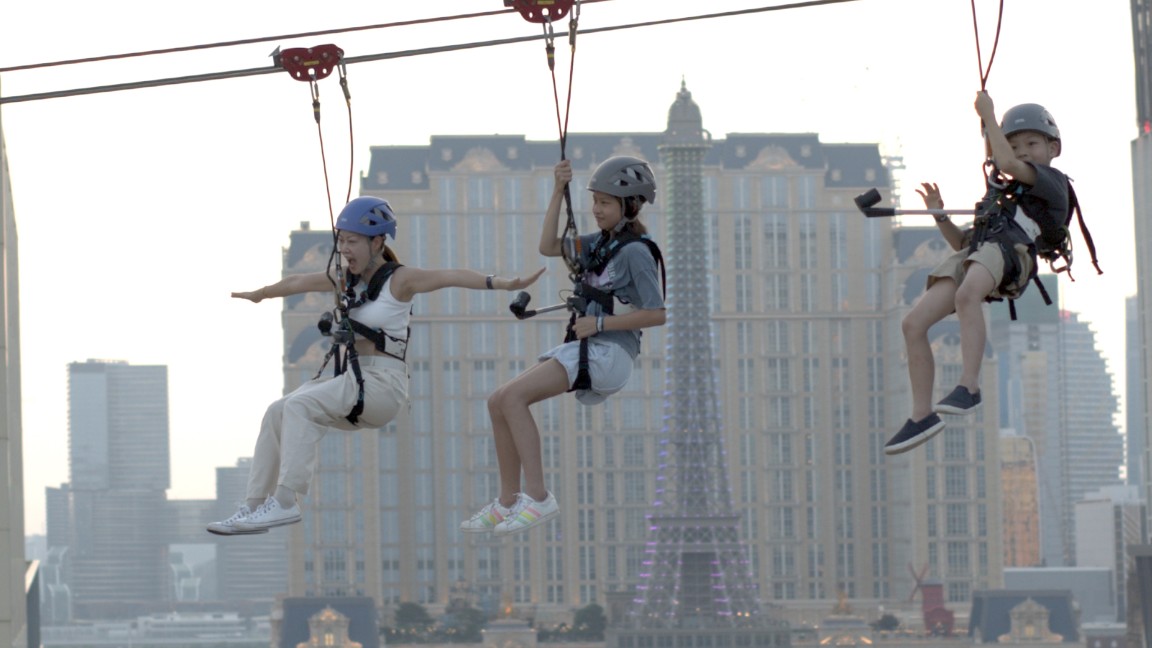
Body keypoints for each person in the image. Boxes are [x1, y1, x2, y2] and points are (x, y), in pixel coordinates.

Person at [207, 196, 543, 535]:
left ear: (378, 242)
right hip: (352, 383)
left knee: (297, 405)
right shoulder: (344, 280)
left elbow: (450, 276)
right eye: (341, 241)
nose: (344, 249)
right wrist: (260, 293)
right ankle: (251, 508)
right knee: (276, 411)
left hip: (382, 387)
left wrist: (502, 283)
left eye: (351, 241)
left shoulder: (399, 280)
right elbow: (297, 282)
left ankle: (284, 501)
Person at [460, 156, 667, 535]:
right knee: (497, 401)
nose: (596, 209)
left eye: (605, 202)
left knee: (512, 399)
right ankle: (508, 500)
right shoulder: (599, 244)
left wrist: (601, 322)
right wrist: (558, 190)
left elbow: (657, 314)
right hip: (593, 347)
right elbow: (547, 245)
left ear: (630, 205)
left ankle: (538, 498)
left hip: (611, 353)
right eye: (595, 201)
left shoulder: (637, 251)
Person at [885, 91, 1069, 456]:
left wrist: (988, 115)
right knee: (913, 323)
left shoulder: (1051, 181)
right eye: (1015, 145)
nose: (1022, 151)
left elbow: (1004, 160)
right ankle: (921, 413)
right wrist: (939, 215)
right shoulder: (1000, 199)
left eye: (1032, 143)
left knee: (967, 295)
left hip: (1013, 252)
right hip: (983, 251)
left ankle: (969, 385)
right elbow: (963, 245)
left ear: (1053, 148)